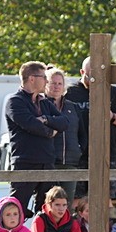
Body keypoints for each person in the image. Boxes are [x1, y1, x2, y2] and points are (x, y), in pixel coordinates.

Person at [4, 61, 72, 216]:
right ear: (32, 79)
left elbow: (64, 122)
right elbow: (30, 124)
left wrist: (46, 119)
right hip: (25, 162)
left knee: (47, 212)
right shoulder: (15, 101)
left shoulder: (44, 102)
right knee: (15, 210)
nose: (47, 81)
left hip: (47, 162)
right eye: (44, 77)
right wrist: (50, 132)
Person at [67, 57, 116, 200]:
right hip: (78, 156)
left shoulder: (114, 93)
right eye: (90, 75)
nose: (94, 80)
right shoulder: (70, 93)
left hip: (106, 154)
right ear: (82, 72)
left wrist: (112, 116)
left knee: (105, 200)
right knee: (77, 200)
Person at [45, 67, 82, 203]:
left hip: (71, 162)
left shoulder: (72, 107)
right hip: (49, 162)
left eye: (59, 83)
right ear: (46, 84)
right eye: (52, 83)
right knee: (49, 203)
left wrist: (80, 150)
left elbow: (81, 133)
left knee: (67, 204)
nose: (56, 86)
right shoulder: (40, 105)